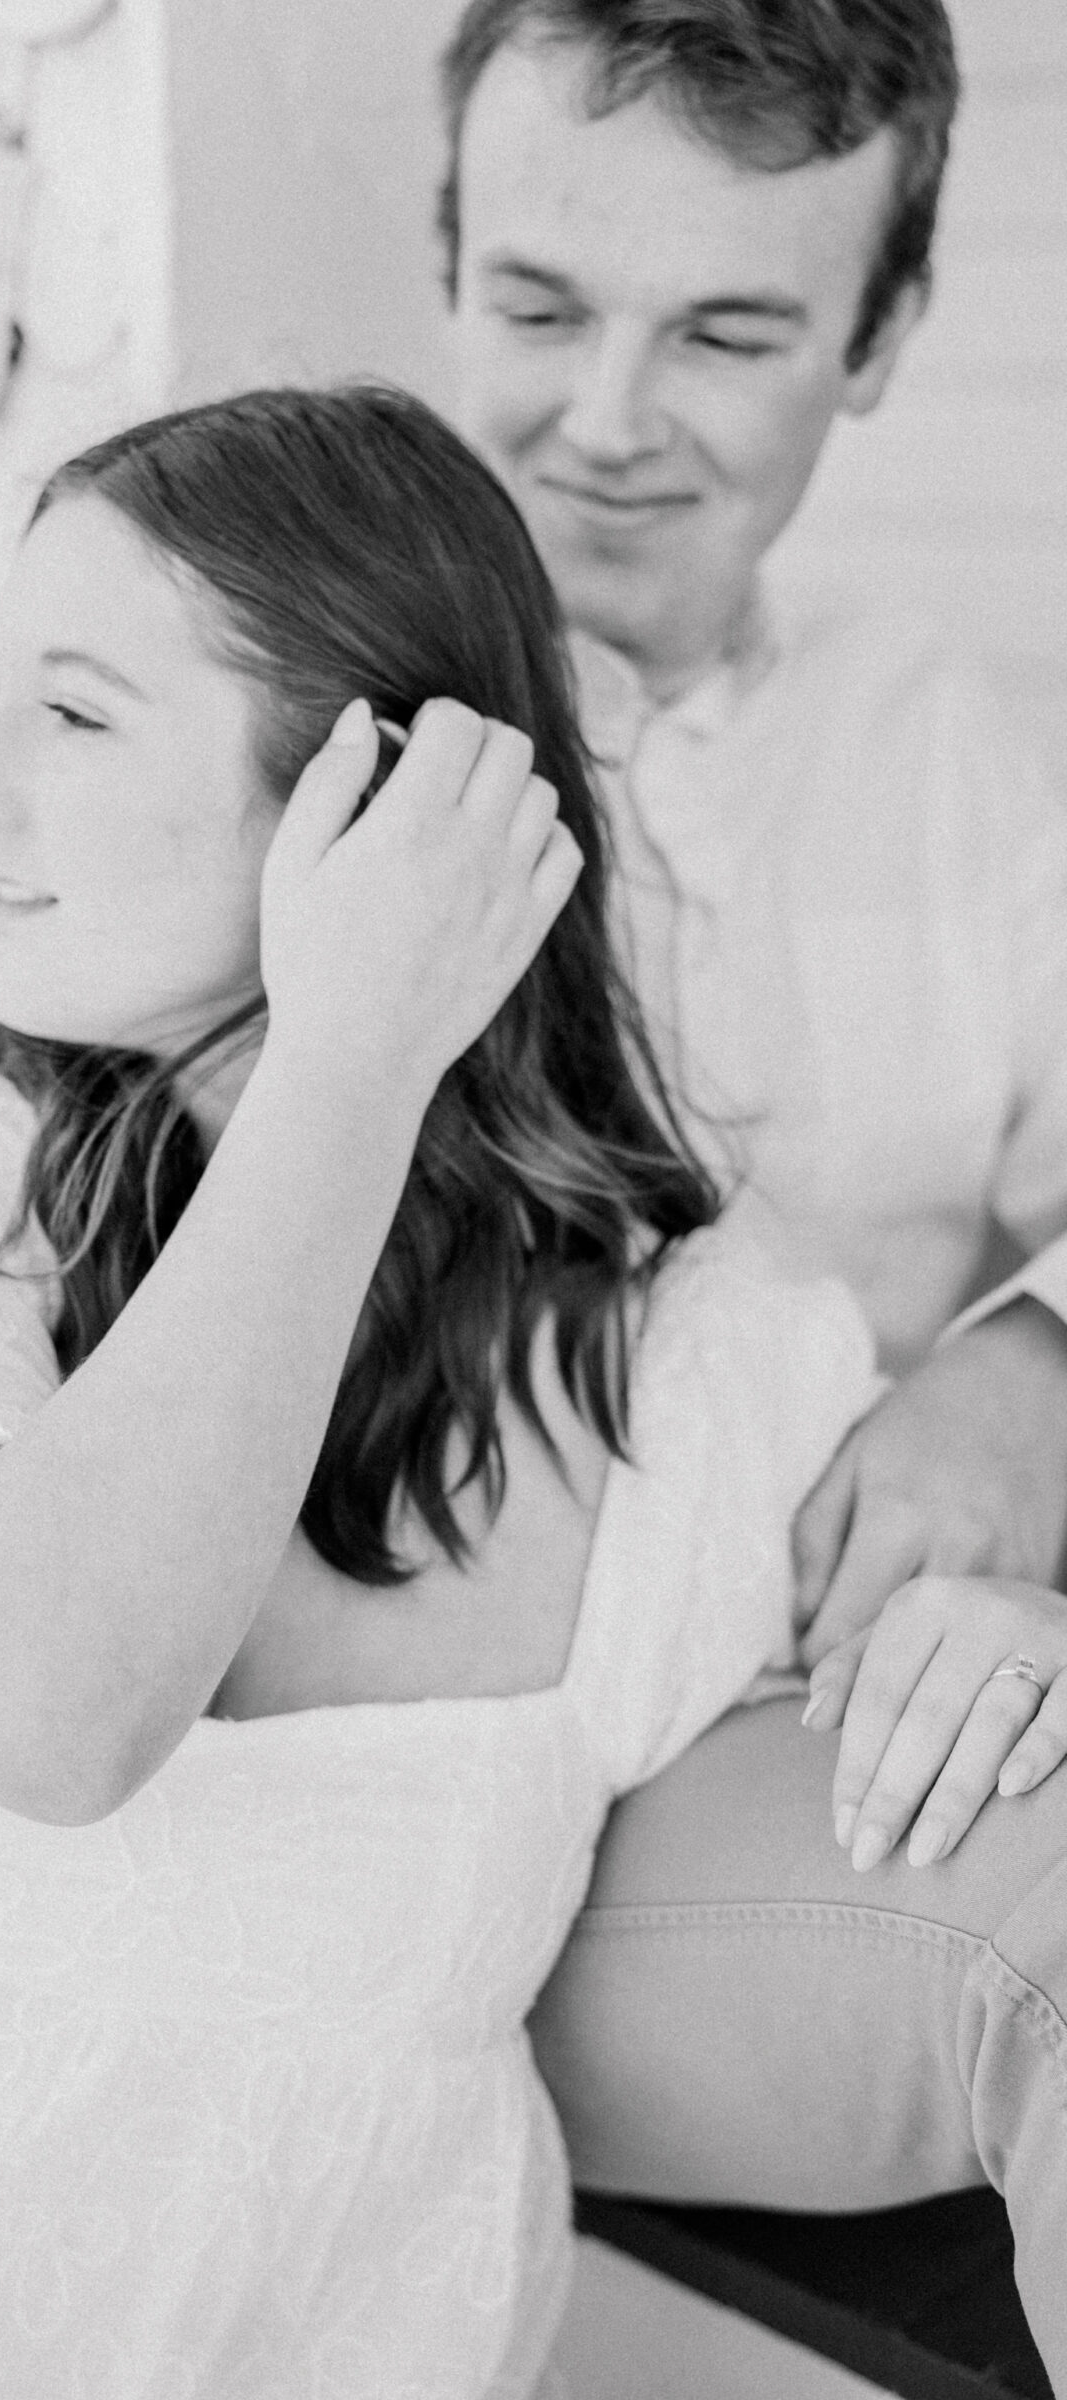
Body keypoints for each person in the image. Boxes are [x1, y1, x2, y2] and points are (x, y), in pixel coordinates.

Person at [0, 385, 886, 2395]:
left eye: (70, 709)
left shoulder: (712, 1369)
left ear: (368, 804)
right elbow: (45, 1703)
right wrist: (348, 1058)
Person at [434, 0, 1067, 2366]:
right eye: (534, 306)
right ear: (444, 256)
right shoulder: (229, 684)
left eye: (723, 329)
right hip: (454, 1818)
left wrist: (1034, 1363)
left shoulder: (933, 751)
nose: (602, 421)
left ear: (883, 330)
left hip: (827, 1725)